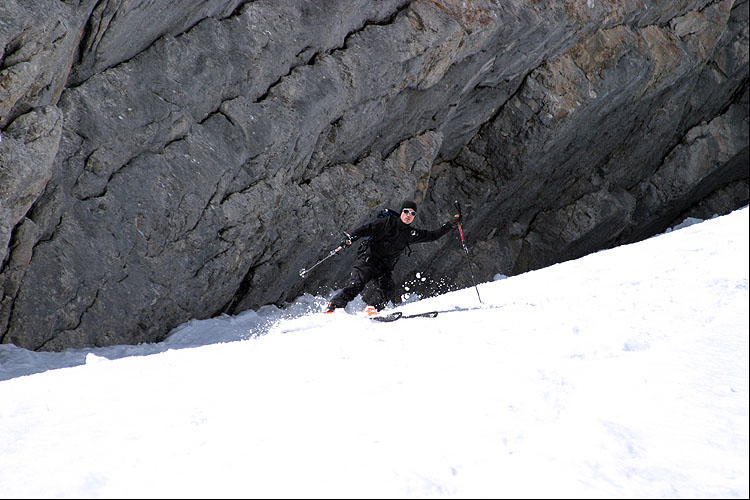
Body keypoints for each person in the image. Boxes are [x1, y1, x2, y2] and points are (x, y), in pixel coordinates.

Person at [326, 200, 460, 315]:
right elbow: (365, 229)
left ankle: (371, 310)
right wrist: (350, 238)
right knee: (356, 286)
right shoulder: (386, 223)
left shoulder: (410, 233)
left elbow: (433, 236)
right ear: (401, 212)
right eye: (407, 211)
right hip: (367, 262)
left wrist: (451, 224)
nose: (409, 215)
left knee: (388, 290)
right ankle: (333, 308)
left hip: (383, 269)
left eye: (413, 213)